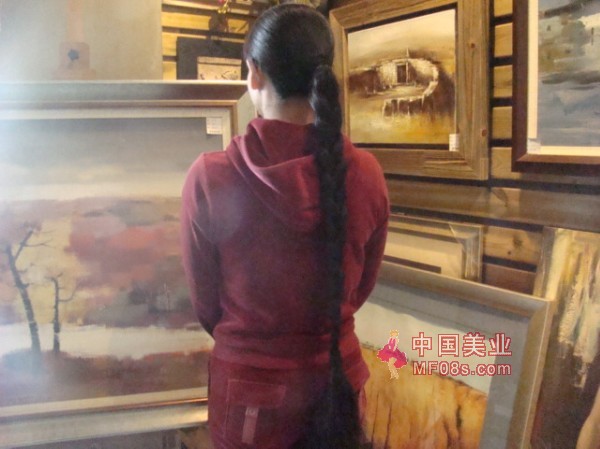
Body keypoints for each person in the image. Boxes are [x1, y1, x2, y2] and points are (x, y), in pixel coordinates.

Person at [180, 4, 389, 448]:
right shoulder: (367, 172)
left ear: (254, 73)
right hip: (338, 383)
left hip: (250, 394)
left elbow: (206, 304)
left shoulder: (210, 176)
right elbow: (359, 287)